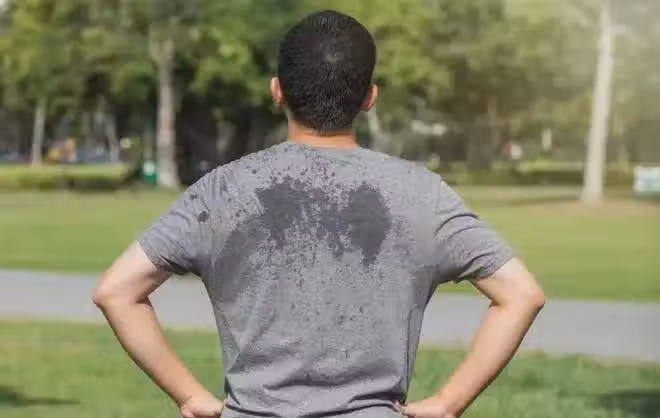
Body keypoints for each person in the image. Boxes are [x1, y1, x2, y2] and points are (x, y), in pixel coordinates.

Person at [93, 10, 545, 418]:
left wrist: (189, 396)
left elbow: (117, 291)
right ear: (369, 98)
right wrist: (448, 402)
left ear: (277, 91)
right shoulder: (422, 193)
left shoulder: (223, 190)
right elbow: (521, 295)